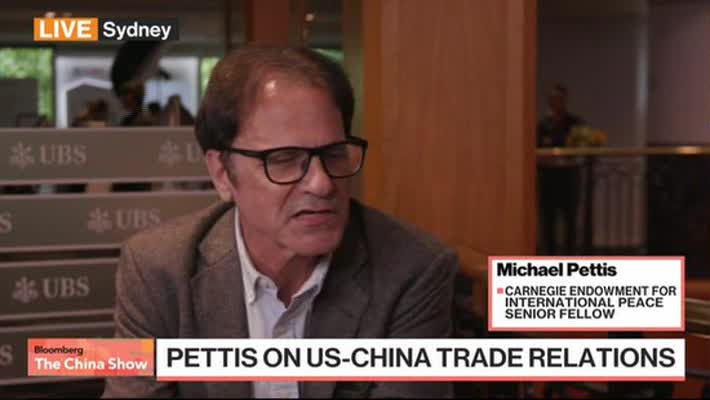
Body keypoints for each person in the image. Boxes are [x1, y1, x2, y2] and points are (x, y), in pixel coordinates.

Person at [103, 46, 458, 398]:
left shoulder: (411, 269)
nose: (322, 183)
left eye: (334, 153)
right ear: (222, 174)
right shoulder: (159, 269)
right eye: (284, 159)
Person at [537, 84, 584, 255]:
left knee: (570, 218)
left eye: (559, 98)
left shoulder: (575, 123)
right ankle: (549, 256)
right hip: (548, 177)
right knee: (548, 218)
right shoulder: (543, 125)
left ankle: (570, 256)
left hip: (568, 177)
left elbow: (580, 148)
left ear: (565, 100)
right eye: (553, 99)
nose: (556, 102)